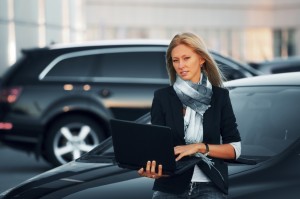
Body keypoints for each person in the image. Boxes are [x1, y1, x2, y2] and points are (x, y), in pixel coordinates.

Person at [138, 32, 241, 199]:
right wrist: (153, 169)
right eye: (175, 60)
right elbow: (158, 148)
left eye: (186, 58)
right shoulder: (162, 97)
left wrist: (199, 147)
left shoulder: (220, 97)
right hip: (170, 187)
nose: (181, 65)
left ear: (201, 59)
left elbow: (234, 149)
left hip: (210, 186)